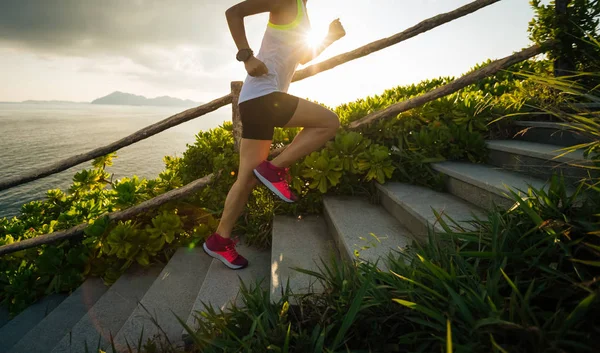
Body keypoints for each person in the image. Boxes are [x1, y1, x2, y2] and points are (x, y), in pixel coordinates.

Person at [203, 0, 346, 269]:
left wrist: (328, 38)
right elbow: (233, 12)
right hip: (264, 96)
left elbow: (302, 56)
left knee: (246, 178)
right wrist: (246, 56)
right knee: (328, 122)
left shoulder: (302, 11)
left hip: (256, 99)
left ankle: (219, 241)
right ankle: (276, 169)